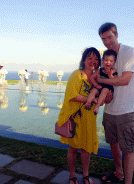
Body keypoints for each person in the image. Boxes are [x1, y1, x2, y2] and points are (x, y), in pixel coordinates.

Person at [98, 22, 134, 184]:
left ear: (117, 35)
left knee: (128, 149)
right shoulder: (107, 55)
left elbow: (125, 80)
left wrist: (103, 80)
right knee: (113, 143)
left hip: (127, 108)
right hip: (110, 108)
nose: (106, 41)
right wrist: (106, 95)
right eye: (103, 39)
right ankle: (119, 172)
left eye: (109, 37)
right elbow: (102, 79)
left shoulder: (129, 52)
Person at [57, 47, 101, 184]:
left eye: (96, 58)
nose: (93, 61)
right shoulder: (77, 75)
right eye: (89, 57)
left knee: (86, 149)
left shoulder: (98, 79)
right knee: (73, 148)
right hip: (76, 119)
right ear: (83, 60)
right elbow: (73, 95)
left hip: (89, 119)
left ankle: (86, 175)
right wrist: (92, 99)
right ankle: (72, 175)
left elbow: (102, 98)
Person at [85, 49, 118, 114]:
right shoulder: (99, 70)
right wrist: (96, 85)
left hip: (107, 88)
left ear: (114, 63)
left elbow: (115, 81)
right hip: (99, 86)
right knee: (93, 91)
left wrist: (110, 74)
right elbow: (92, 78)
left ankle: (97, 106)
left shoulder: (113, 71)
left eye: (111, 61)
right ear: (102, 61)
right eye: (106, 60)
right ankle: (88, 102)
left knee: (105, 90)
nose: (108, 62)